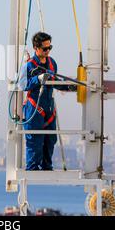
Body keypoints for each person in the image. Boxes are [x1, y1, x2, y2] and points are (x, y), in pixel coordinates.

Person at [20, 32, 76, 171]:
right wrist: (37, 79)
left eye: (49, 47)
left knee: (50, 140)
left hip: (49, 108)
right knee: (35, 140)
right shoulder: (29, 65)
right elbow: (22, 85)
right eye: (45, 48)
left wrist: (68, 86)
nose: (47, 51)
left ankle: (47, 166)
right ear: (36, 48)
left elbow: (54, 82)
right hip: (34, 107)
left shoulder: (52, 63)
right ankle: (33, 168)